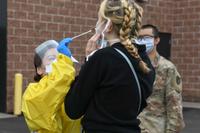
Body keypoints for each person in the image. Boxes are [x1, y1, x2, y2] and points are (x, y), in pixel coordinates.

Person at [64, 0, 155, 133]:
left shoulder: (102, 58)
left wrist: (88, 60)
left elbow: (73, 109)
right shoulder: (145, 61)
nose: (97, 24)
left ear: (109, 25)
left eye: (99, 19)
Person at [22, 39, 81, 133]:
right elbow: (54, 87)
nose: (58, 62)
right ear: (39, 69)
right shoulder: (32, 93)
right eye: (51, 58)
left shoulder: (69, 90)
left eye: (59, 58)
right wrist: (65, 62)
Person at [136, 24, 185, 133]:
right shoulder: (134, 65)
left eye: (147, 37)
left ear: (157, 40)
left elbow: (174, 108)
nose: (142, 41)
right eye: (139, 38)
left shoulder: (167, 68)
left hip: (155, 128)